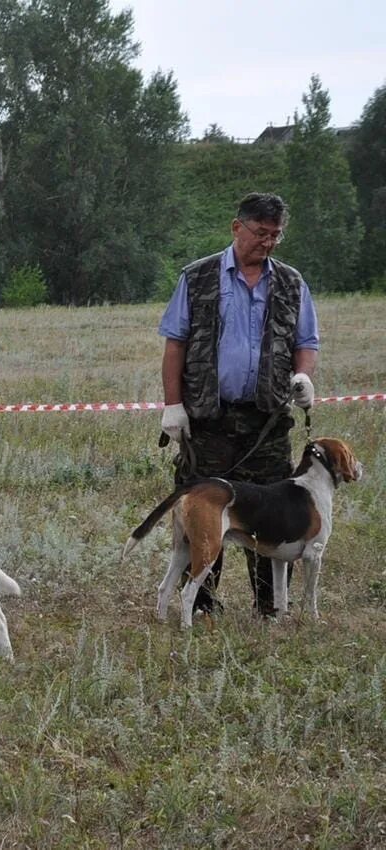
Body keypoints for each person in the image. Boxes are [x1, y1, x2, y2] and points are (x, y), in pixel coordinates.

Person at [157, 192, 320, 617]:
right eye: (261, 232)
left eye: (276, 235)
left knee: (273, 514)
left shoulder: (291, 282)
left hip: (267, 423)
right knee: (203, 511)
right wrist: (173, 406)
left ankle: (269, 606)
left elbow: (306, 342)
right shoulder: (197, 277)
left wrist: (303, 377)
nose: (268, 242)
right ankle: (201, 606)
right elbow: (175, 344)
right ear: (237, 227)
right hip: (208, 421)